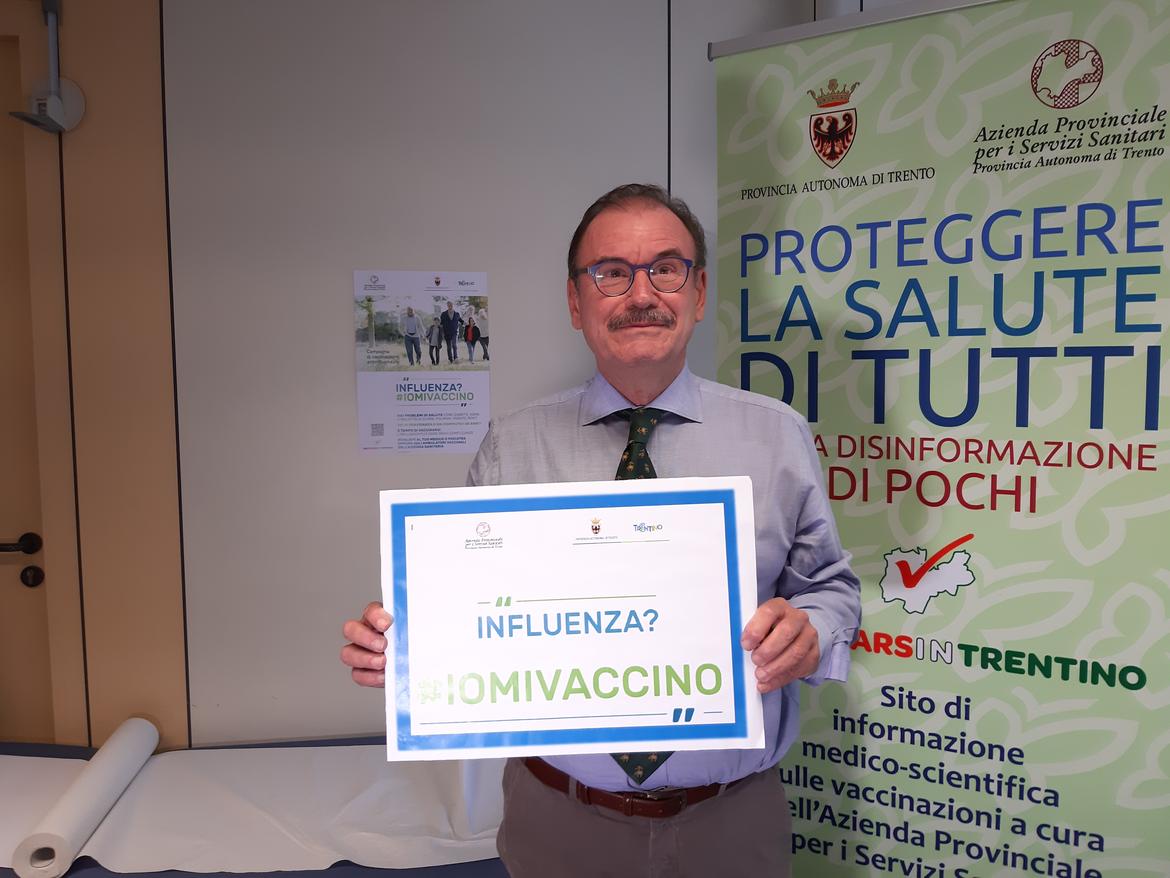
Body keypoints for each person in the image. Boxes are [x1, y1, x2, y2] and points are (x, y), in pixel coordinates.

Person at [341, 183, 861, 878]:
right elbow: (469, 612)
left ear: (699, 293)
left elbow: (830, 586)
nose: (641, 294)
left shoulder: (776, 436)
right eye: (612, 272)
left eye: (666, 269)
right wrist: (406, 648)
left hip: (732, 824)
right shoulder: (511, 447)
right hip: (559, 822)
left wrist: (812, 631)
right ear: (575, 301)